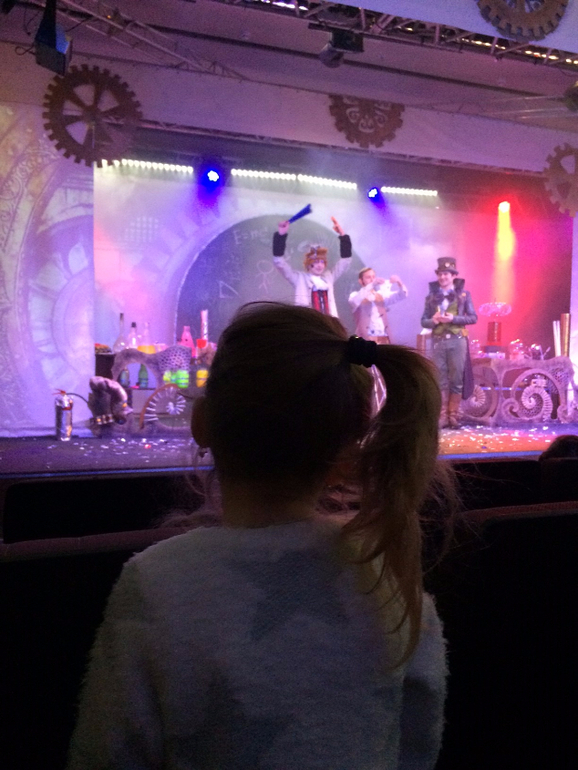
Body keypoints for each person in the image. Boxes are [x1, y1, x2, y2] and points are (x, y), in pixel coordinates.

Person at [68, 303, 451, 770]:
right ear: (348, 456)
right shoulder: (394, 583)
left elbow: (108, 752)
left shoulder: (155, 584)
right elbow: (418, 745)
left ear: (201, 422)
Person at [421, 257, 477, 429]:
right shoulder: (431, 297)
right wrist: (434, 321)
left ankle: (453, 415)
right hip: (438, 342)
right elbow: (423, 321)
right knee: (439, 379)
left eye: (446, 274)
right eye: (440, 274)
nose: (443, 277)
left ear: (453, 276)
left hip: (457, 340)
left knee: (456, 379)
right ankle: (442, 415)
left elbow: (473, 317)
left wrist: (454, 318)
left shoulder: (464, 295)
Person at [272, 216, 351, 316]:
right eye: (316, 262)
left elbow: (345, 260)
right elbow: (279, 262)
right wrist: (281, 235)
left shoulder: (328, 277)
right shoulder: (299, 279)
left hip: (329, 321)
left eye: (322, 262)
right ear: (309, 264)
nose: (320, 265)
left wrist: (342, 235)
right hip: (309, 322)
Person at [349, 267, 408, 342]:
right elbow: (356, 300)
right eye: (368, 277)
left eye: (373, 277)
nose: (372, 280)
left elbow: (401, 295)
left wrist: (399, 282)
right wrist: (372, 285)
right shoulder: (354, 295)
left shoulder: (380, 295)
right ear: (361, 281)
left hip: (383, 338)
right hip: (365, 339)